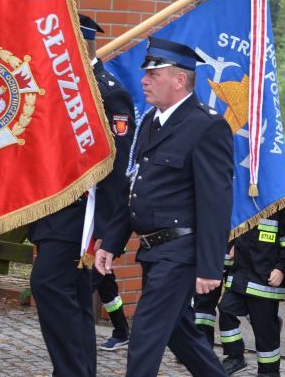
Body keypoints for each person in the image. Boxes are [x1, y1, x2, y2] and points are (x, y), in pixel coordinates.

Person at [95, 37, 234, 377]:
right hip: (153, 252)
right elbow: (134, 187)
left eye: (153, 74)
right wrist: (111, 242)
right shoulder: (150, 122)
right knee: (180, 332)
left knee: (146, 332)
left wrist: (210, 265)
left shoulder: (207, 125)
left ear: (179, 80)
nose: (144, 80)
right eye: (146, 73)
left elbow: (216, 202)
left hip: (181, 252)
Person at [28, 14, 135, 376]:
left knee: (47, 284)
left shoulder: (108, 91)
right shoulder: (59, 86)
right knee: (74, 298)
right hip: (53, 208)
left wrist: (106, 227)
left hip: (81, 214)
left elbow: (117, 168)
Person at [217, 206, 285, 376]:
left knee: (265, 330)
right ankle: (235, 356)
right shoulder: (247, 201)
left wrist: (281, 268)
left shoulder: (281, 205)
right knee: (226, 309)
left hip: (265, 280)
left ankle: (269, 372)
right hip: (242, 273)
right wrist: (233, 245)